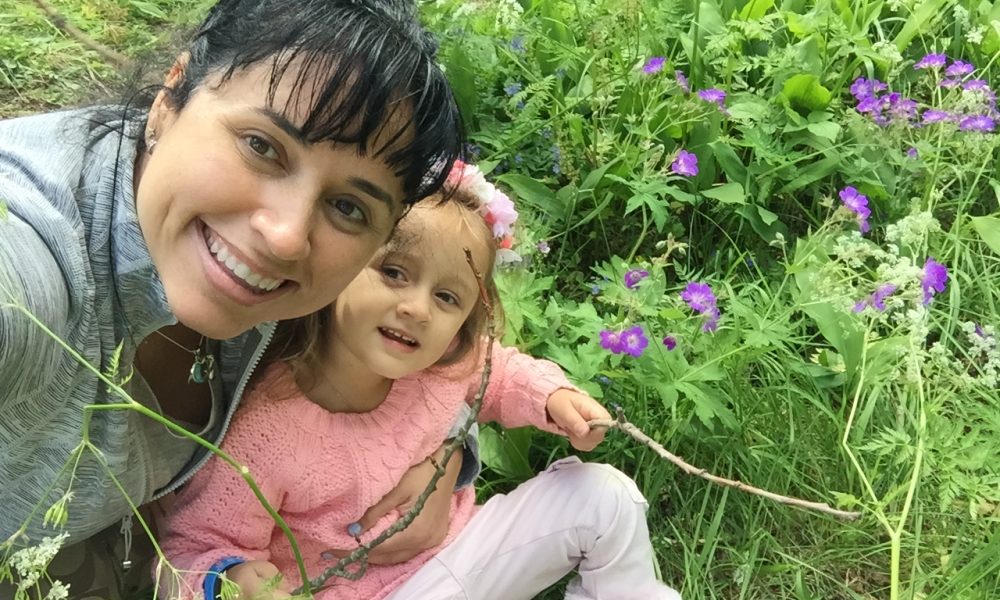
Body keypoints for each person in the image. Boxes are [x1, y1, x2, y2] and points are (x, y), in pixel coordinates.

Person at [0, 0, 477, 595]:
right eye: (262, 146)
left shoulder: (331, 282)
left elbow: (447, 341)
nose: (287, 236)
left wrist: (444, 453)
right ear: (169, 99)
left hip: (119, 543)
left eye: (348, 206)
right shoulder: (32, 257)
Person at [158, 161, 682, 600]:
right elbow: (193, 545)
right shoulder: (266, 431)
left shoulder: (440, 366)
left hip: (467, 551)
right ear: (340, 267)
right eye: (394, 272)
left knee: (604, 496)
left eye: (447, 297)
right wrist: (231, 578)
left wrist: (554, 396)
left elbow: (500, 370)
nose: (417, 309)